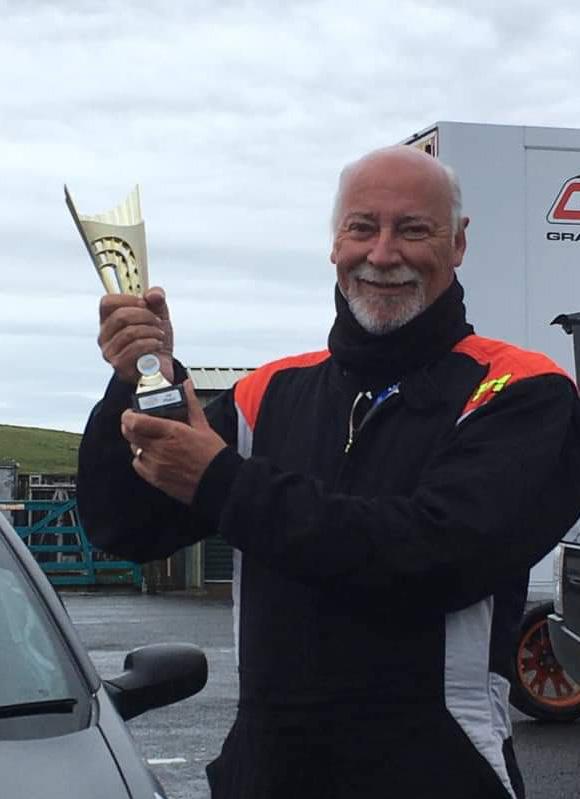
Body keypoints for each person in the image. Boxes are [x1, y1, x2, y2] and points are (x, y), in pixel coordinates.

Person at [77, 145, 580, 799]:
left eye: (413, 229)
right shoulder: (268, 393)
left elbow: (434, 556)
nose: (383, 253)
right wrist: (144, 382)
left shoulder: (523, 390)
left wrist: (223, 481)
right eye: (362, 228)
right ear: (335, 243)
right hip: (265, 779)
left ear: (458, 244)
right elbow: (126, 525)